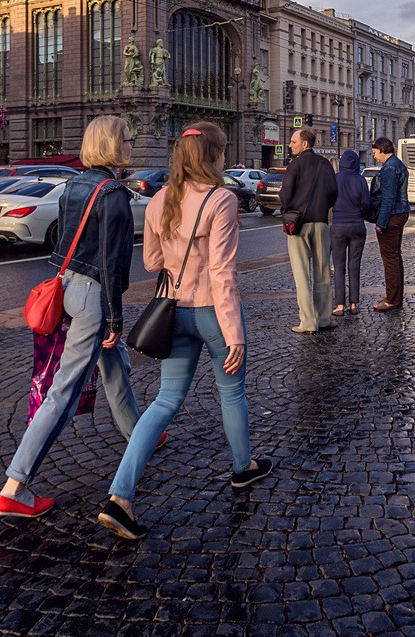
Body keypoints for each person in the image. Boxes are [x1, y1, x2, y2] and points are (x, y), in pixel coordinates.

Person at [98, 121, 270, 540]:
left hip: (174, 312)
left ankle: (120, 496)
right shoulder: (222, 199)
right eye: (222, 151)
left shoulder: (160, 199)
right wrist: (235, 334)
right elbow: (223, 272)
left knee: (164, 400)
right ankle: (242, 468)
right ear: (212, 155)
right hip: (213, 310)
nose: (224, 158)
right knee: (231, 391)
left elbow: (154, 262)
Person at [0, 115, 142, 520]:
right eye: (128, 139)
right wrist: (115, 318)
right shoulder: (114, 194)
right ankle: (15, 486)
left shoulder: (72, 184)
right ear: (113, 145)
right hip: (95, 294)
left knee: (113, 363)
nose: (132, 145)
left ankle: (141, 432)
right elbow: (113, 264)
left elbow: (62, 244)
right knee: (63, 390)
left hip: (67, 287)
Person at [280, 127, 338, 333]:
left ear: (304, 144)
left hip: (298, 225)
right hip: (321, 222)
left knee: (302, 274)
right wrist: (322, 207)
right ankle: (324, 318)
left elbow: (285, 193)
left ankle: (308, 322)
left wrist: (287, 211)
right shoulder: (325, 164)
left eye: (293, 142)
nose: (290, 145)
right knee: (323, 272)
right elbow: (333, 192)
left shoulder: (295, 165)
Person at [370, 136, 410, 311]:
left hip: (392, 216)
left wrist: (381, 223)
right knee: (395, 256)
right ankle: (396, 296)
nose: (374, 157)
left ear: (381, 149)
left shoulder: (389, 168)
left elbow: (388, 198)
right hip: (401, 212)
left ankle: (391, 299)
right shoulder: (398, 163)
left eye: (374, 153)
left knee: (390, 259)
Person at [330, 149, 370, 318]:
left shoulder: (336, 179)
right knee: (354, 266)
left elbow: (328, 199)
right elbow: (367, 204)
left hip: (338, 225)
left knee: (339, 266)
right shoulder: (360, 180)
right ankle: (353, 304)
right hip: (357, 226)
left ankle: (339, 305)